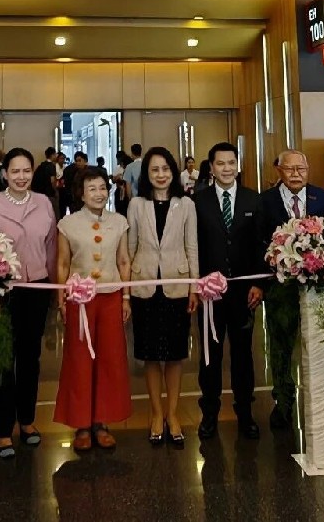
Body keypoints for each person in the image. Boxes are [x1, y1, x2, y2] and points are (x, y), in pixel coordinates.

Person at [0, 147, 57, 459]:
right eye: (15, 171)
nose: (21, 177)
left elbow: (51, 248)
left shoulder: (44, 203)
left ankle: (27, 420)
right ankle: (1, 430)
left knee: (29, 357)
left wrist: (54, 289)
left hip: (36, 288)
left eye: (26, 171)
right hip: (2, 291)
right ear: (5, 174)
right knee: (2, 359)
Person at [54, 166, 132, 451]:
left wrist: (126, 297)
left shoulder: (119, 222)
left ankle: (102, 422)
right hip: (80, 301)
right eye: (92, 189)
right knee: (79, 360)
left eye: (102, 188)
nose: (98, 194)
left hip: (111, 297)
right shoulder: (68, 224)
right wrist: (61, 299)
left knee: (110, 360)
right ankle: (82, 425)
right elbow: (63, 263)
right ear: (81, 194)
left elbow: (124, 261)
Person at [128, 147, 199, 448]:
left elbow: (192, 246)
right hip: (144, 285)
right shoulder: (136, 204)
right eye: (155, 170)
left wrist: (194, 287)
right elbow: (130, 246)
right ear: (147, 174)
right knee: (150, 354)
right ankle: (156, 414)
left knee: (174, 354)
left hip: (176, 285)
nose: (161, 175)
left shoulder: (186, 204)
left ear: (173, 171)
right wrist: (125, 290)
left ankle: (173, 414)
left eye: (166, 169)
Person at [194, 142, 265, 440]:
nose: (227, 168)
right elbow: (194, 245)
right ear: (211, 168)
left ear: (238, 165)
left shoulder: (253, 199)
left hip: (243, 292)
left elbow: (262, 243)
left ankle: (245, 413)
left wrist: (259, 283)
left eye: (231, 162)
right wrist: (197, 284)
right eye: (220, 163)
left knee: (243, 355)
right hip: (209, 293)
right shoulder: (198, 201)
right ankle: (209, 413)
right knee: (210, 355)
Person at [260, 149, 324, 429]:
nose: (295, 174)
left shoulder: (322, 198)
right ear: (279, 171)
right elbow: (258, 241)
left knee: (319, 343)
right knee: (281, 346)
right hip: (280, 288)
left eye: (300, 169)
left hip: (317, 289)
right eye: (289, 169)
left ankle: (323, 401)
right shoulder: (264, 201)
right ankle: (283, 401)